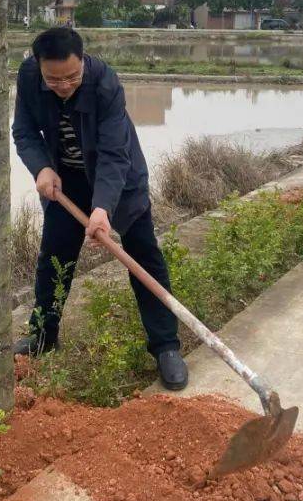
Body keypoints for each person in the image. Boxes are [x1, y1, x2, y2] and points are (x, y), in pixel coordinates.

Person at [11, 26, 188, 390]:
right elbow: (25, 132)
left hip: (119, 180)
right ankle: (44, 335)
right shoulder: (29, 76)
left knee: (143, 257)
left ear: (84, 61)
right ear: (39, 67)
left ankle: (166, 345)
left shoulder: (105, 82)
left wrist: (103, 208)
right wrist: (41, 167)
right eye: (53, 79)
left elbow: (113, 153)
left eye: (72, 76)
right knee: (54, 259)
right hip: (66, 181)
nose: (63, 85)